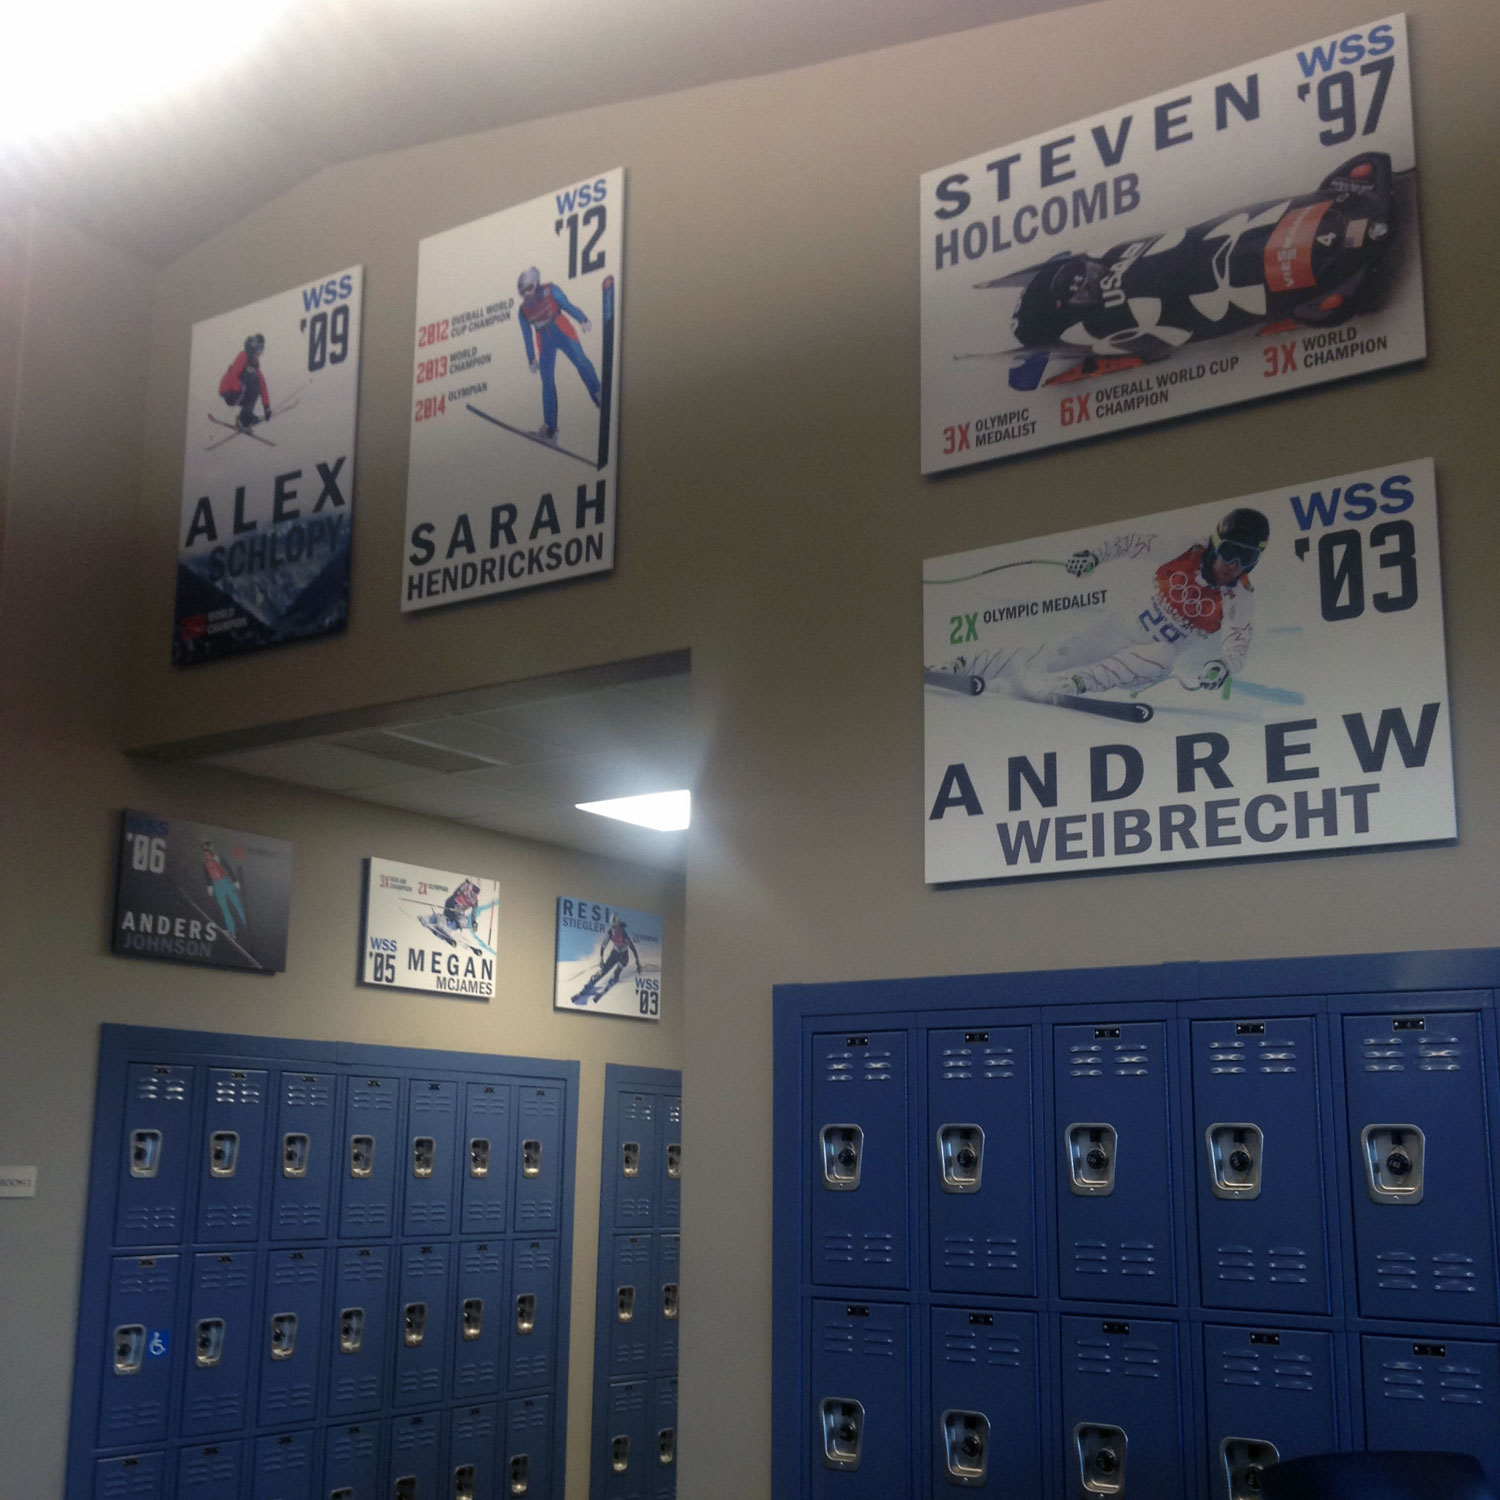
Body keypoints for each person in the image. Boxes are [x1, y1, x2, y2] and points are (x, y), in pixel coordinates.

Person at [962, 508, 1270, 700]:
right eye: (1229, 552)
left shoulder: (1238, 597)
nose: (1234, 564)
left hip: (1146, 658)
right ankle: (966, 667)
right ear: (1215, 546)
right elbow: (1134, 544)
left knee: (1163, 655)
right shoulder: (1187, 550)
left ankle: (1071, 685)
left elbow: (1237, 643)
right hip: (1119, 629)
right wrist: (1096, 556)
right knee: (1054, 653)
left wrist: (1223, 666)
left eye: (1246, 558)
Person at [516, 267, 601, 443]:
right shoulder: (523, 311)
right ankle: (550, 428)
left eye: (529, 288)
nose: (526, 294)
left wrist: (582, 318)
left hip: (560, 328)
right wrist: (531, 358)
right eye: (522, 291)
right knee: (546, 380)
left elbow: (567, 305)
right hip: (543, 338)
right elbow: (526, 335)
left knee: (580, 361)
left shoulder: (550, 290)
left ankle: (598, 393)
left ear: (536, 284)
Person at [219, 334, 272, 429]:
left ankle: (245, 419)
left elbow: (262, 385)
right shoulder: (244, 356)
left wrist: (266, 407)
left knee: (256, 383)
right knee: (254, 384)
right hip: (230, 392)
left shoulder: (254, 365)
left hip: (239, 393)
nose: (259, 354)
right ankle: (244, 417)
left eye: (261, 351)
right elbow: (233, 374)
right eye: (258, 350)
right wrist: (233, 389)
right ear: (254, 347)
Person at [202, 841, 246, 940]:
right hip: (217, 885)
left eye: (208, 852)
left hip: (225, 882)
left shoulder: (218, 858)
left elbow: (229, 869)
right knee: (225, 909)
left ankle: (246, 925)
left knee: (237, 904)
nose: (207, 855)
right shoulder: (204, 862)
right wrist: (209, 886)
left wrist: (235, 881)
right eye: (205, 852)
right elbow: (206, 875)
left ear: (211, 851)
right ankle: (232, 932)